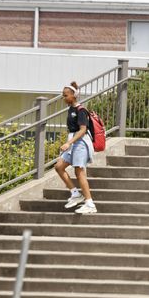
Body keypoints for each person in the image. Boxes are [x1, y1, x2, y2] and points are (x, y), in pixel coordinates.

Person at [55, 82, 97, 214]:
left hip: (80, 143)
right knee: (59, 167)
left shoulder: (81, 110)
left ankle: (90, 204)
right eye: (63, 95)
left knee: (79, 172)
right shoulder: (70, 109)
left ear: (74, 95)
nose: (64, 98)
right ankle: (75, 194)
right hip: (73, 142)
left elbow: (83, 130)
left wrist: (69, 143)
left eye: (66, 95)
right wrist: (69, 142)